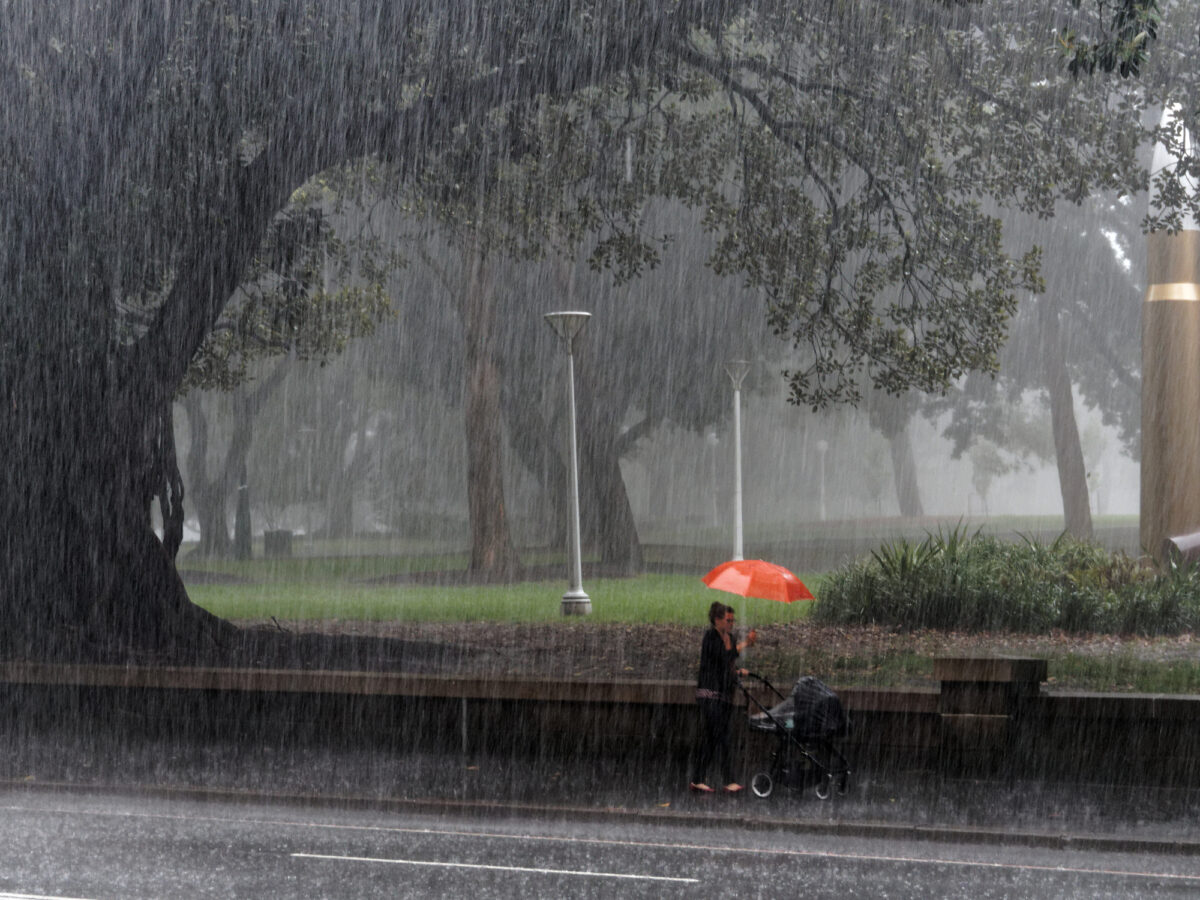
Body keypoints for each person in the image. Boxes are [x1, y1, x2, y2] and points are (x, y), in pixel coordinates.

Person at [689, 600, 757, 794]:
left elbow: (726, 666)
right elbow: (720, 658)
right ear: (717, 620)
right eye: (728, 620)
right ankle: (729, 780)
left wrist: (737, 672)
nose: (731, 624)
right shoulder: (710, 637)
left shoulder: (731, 638)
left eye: (733, 621)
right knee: (723, 737)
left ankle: (698, 779)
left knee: (712, 739)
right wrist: (746, 644)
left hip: (725, 696)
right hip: (710, 695)